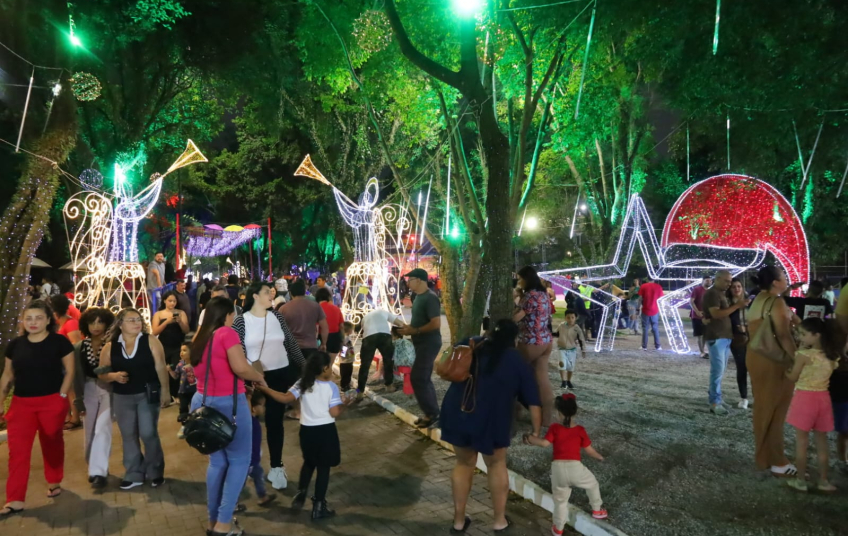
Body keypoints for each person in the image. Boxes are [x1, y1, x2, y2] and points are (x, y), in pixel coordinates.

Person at [440, 319, 541, 533]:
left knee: (463, 464)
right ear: (513, 339)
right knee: (496, 465)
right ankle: (499, 521)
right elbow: (533, 400)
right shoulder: (516, 359)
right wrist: (536, 432)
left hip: (459, 411)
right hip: (492, 419)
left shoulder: (473, 344)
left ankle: (458, 522)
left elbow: (446, 361)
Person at [190, 296, 267, 536]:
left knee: (217, 462)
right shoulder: (226, 334)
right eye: (233, 314)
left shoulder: (199, 337)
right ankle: (224, 523)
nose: (235, 318)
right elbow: (240, 367)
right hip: (229, 403)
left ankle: (213, 521)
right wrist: (258, 376)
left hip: (202, 401)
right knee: (239, 461)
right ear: (225, 315)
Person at [0, 300, 75, 516]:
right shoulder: (15, 345)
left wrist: (62, 394)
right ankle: (15, 499)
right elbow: (7, 374)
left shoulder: (59, 342)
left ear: (48, 320)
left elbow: (70, 371)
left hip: (51, 401)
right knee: (18, 452)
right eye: (29, 318)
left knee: (51, 441)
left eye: (38, 318)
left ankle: (54, 480)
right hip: (21, 404)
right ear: (23, 320)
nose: (33, 322)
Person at [258, 352, 348, 520]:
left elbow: (285, 398)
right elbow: (334, 412)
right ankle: (319, 506)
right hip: (325, 432)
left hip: (306, 431)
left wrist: (265, 389)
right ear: (324, 368)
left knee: (309, 463)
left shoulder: (302, 383)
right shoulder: (331, 387)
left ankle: (301, 492)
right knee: (323, 469)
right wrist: (345, 404)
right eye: (330, 366)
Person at [232, 282, 305, 491]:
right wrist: (249, 374)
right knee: (249, 425)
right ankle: (246, 465)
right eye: (267, 292)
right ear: (254, 296)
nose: (271, 294)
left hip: (280, 374)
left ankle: (276, 466)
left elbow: (290, 344)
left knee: (275, 422)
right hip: (254, 378)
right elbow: (238, 351)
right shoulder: (241, 321)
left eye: (271, 291)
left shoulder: (277, 316)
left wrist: (306, 367)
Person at [98, 308, 171, 490]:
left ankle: (155, 471)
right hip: (122, 396)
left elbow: (161, 367)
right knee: (128, 434)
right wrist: (113, 376)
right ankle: (134, 473)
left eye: (138, 319)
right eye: (131, 320)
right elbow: (102, 372)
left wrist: (165, 391)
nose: (137, 323)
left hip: (146, 393)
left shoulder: (150, 341)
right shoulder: (110, 347)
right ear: (120, 324)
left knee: (148, 432)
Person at [525, 393, 607, 534]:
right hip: (575, 468)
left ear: (558, 412)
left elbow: (544, 443)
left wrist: (531, 439)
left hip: (558, 470)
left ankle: (558, 528)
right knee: (592, 484)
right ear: (575, 412)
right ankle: (597, 509)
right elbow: (589, 451)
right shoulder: (580, 430)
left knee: (560, 502)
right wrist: (600, 457)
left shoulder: (555, 428)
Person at [747, 266, 799, 477]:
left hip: (756, 356)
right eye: (784, 277)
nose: (787, 279)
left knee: (764, 407)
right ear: (776, 282)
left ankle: (765, 456)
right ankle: (777, 460)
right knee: (776, 410)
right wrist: (798, 360)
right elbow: (784, 336)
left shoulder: (759, 298)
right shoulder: (776, 302)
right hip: (773, 360)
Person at [784, 317, 843, 492]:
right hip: (823, 399)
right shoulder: (832, 356)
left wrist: (786, 371)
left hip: (804, 398)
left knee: (801, 442)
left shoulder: (804, 355)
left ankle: (801, 481)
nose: (801, 337)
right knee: (822, 443)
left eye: (803, 334)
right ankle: (823, 481)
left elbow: (793, 377)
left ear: (816, 335)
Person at [72, 307, 116, 490]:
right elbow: (76, 375)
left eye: (100, 322)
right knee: (89, 429)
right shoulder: (80, 347)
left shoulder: (114, 344)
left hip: (110, 389)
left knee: (102, 427)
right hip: (89, 388)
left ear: (107, 324)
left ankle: (98, 472)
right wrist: (77, 400)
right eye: (92, 322)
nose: (96, 326)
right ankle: (94, 466)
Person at [397, 268, 443, 428]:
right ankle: (432, 414)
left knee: (418, 377)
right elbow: (421, 321)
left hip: (429, 343)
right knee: (423, 378)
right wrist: (409, 328)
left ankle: (433, 415)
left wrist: (414, 330)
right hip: (421, 342)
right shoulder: (418, 297)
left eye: (411, 279)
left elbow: (436, 323)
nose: (408, 283)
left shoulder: (430, 298)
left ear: (420, 280)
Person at [703, 270, 749, 415]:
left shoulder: (721, 293)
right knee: (717, 371)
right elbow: (716, 314)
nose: (729, 284)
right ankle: (715, 402)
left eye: (730, 281)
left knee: (720, 370)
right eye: (727, 281)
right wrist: (736, 306)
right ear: (717, 279)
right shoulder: (713, 294)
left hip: (724, 336)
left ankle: (717, 399)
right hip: (717, 336)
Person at [513, 265, 554, 425]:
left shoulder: (529, 296)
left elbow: (517, 317)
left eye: (520, 278)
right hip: (546, 340)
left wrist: (515, 299)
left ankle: (515, 411)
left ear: (526, 279)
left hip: (530, 341)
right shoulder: (543, 294)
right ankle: (546, 418)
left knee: (512, 375)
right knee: (543, 379)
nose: (519, 281)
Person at [356, 308, 405, 400]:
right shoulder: (383, 312)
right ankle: (389, 385)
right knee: (388, 360)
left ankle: (359, 392)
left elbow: (360, 330)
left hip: (369, 337)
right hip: (384, 336)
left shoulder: (365, 317)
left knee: (364, 365)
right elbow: (400, 323)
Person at [152, 290, 190, 399]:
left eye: (174, 301)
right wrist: (166, 322)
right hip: (163, 345)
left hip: (177, 345)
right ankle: (165, 393)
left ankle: (176, 393)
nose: (172, 303)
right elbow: (154, 332)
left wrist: (180, 321)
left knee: (176, 368)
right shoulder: (158, 314)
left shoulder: (181, 313)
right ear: (164, 301)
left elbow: (186, 330)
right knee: (163, 369)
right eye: (170, 301)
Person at [243, 387, 276, 508]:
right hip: (247, 461)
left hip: (253, 460)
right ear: (253, 407)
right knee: (239, 484)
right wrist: (248, 397)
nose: (264, 408)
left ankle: (263, 496)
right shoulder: (248, 421)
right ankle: (231, 503)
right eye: (262, 405)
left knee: (258, 475)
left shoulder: (253, 421)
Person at [281, 280, 329, 360]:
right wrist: (323, 343)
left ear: (290, 293)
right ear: (304, 292)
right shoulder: (315, 306)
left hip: (291, 348)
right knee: (309, 371)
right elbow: (324, 327)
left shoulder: (283, 309)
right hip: (311, 346)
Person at [728, 278, 751, 409]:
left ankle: (758, 396)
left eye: (739, 286)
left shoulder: (751, 302)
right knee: (741, 367)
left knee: (755, 369)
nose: (736, 289)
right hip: (737, 339)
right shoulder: (728, 303)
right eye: (733, 287)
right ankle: (744, 398)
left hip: (752, 337)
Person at [556, 310, 586, 390]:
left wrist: (583, 350)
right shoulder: (561, 326)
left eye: (572, 317)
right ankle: (563, 382)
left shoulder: (577, 328)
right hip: (561, 348)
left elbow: (581, 339)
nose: (570, 319)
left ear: (576, 318)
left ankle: (568, 381)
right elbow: (556, 334)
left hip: (572, 350)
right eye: (568, 317)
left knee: (570, 366)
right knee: (562, 364)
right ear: (565, 318)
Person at [168, 343, 196, 423]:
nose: (181, 353)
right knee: (183, 408)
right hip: (183, 391)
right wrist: (170, 370)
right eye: (181, 350)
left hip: (194, 390)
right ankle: (184, 424)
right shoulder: (180, 364)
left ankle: (194, 423)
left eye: (184, 350)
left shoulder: (195, 363)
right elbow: (176, 376)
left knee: (194, 408)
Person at [316, 288, 344, 363]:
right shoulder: (336, 308)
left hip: (320, 338)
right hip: (335, 338)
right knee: (330, 364)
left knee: (320, 364)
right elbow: (341, 326)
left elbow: (316, 327)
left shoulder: (316, 309)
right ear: (328, 297)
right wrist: (343, 340)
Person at [638, 275, 664, 351]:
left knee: (645, 328)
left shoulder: (643, 286)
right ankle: (658, 346)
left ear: (647, 278)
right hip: (655, 310)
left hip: (646, 309)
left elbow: (640, 298)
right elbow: (661, 298)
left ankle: (644, 346)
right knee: (655, 328)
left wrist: (637, 308)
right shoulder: (658, 287)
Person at [689, 277, 712, 359]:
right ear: (703, 281)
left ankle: (704, 351)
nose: (709, 282)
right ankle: (702, 352)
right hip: (697, 316)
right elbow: (691, 301)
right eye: (707, 280)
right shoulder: (697, 289)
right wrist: (697, 311)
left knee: (705, 335)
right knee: (700, 335)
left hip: (706, 316)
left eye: (710, 280)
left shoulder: (710, 291)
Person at [338, 322, 356, 392]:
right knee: (345, 374)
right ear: (348, 330)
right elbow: (344, 347)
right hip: (345, 361)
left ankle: (347, 385)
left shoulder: (347, 337)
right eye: (352, 329)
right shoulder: (345, 338)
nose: (352, 331)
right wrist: (343, 354)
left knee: (349, 373)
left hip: (349, 360)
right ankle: (343, 386)